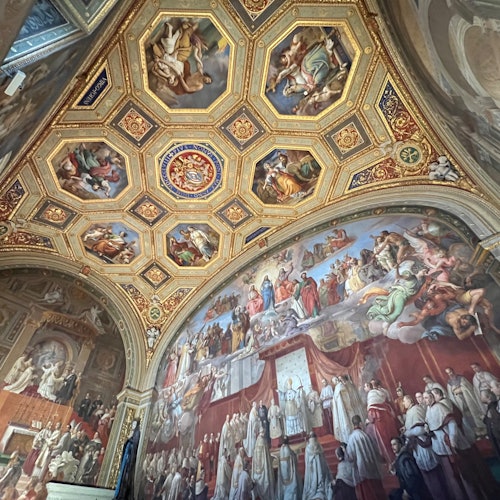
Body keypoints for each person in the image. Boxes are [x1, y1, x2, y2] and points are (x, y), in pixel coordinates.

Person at [345, 415, 385, 500]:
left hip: (361, 471)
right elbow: (375, 450)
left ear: (353, 424)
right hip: (371, 467)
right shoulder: (365, 435)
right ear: (360, 423)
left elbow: (350, 457)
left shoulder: (351, 438)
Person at [445, 366, 486, 437]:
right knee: (467, 417)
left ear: (453, 371)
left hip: (468, 399)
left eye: (450, 372)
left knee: (475, 414)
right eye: (448, 373)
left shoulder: (461, 378)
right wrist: (455, 392)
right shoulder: (449, 383)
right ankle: (475, 433)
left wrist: (461, 389)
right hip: (460, 403)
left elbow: (469, 388)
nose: (450, 374)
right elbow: (451, 395)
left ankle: (483, 430)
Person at [114, 418, 141, 500]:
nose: (133, 426)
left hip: (129, 458)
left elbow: (135, 444)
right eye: (132, 424)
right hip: (126, 457)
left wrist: (130, 439)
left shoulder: (137, 433)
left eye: (134, 424)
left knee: (126, 476)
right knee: (122, 475)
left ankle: (123, 494)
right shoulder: (132, 433)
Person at [303, 432, 332, 500]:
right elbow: (323, 461)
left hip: (312, 470)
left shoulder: (308, 448)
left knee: (312, 480)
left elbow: (307, 462)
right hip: (320, 470)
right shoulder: (319, 447)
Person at [251, 430, 274, 499]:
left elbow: (255, 456)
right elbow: (266, 455)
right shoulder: (263, 441)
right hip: (263, 467)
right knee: (266, 478)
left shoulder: (257, 441)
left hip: (257, 467)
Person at [277, 435, 301, 500]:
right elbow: (293, 456)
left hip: (283, 472)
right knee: (292, 485)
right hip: (289, 470)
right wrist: (295, 455)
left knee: (284, 486)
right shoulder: (288, 449)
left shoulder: (281, 449)